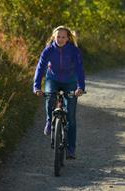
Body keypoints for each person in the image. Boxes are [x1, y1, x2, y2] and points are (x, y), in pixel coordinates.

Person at [33, 25, 85, 159]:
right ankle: (49, 121)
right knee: (50, 97)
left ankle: (71, 149)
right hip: (53, 79)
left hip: (70, 81)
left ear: (68, 38)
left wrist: (80, 87)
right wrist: (37, 87)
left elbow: (80, 69)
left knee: (71, 118)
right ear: (53, 37)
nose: (60, 39)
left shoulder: (74, 51)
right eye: (58, 37)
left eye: (63, 37)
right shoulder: (48, 51)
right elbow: (40, 68)